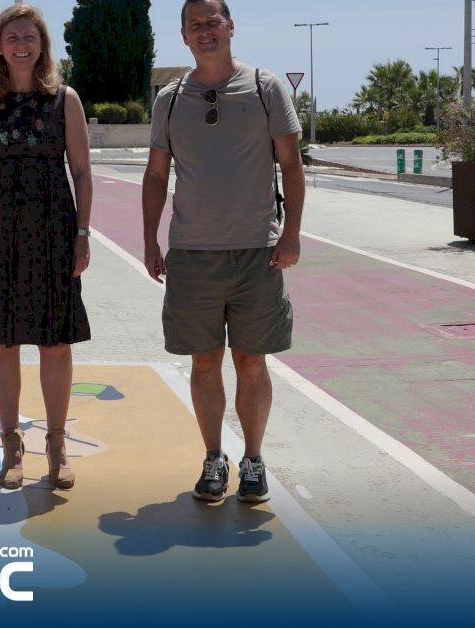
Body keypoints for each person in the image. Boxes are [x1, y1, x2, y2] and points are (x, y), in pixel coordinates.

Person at [143, 0, 304, 503]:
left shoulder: (265, 87)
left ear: (230, 27)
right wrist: (149, 240)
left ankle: (253, 460)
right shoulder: (170, 99)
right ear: (184, 36)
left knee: (252, 362)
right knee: (204, 362)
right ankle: (214, 458)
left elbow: (292, 165)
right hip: (193, 253)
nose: (205, 31)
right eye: (195, 25)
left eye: (213, 22)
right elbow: (156, 175)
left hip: (258, 251)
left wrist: (291, 234)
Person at [0, 4, 94, 491]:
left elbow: (82, 171)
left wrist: (82, 234)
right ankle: (11, 444)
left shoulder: (65, 99)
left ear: (42, 45)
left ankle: (56, 443)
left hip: (52, 229)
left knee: (55, 341)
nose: (21, 45)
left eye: (29, 36)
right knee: (2, 341)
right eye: (12, 37)